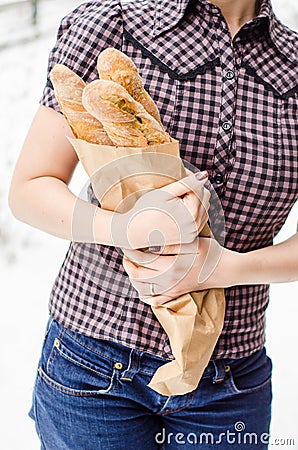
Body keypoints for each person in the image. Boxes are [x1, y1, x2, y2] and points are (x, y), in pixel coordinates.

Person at [8, 0, 298, 449]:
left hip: (229, 382)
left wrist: (225, 266)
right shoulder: (111, 25)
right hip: (93, 369)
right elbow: (30, 188)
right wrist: (123, 228)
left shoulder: (293, 66)